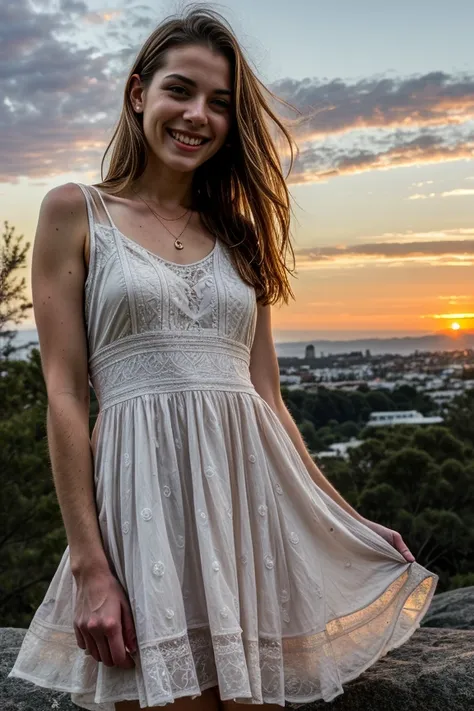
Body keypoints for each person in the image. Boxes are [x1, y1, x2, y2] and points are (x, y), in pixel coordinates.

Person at [8, 5, 438, 711]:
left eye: (219, 104)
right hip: (143, 512)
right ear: (138, 92)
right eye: (181, 90)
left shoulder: (241, 235)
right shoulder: (73, 212)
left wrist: (346, 515)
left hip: (249, 516)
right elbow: (64, 392)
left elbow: (266, 396)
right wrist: (90, 567)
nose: (197, 115)